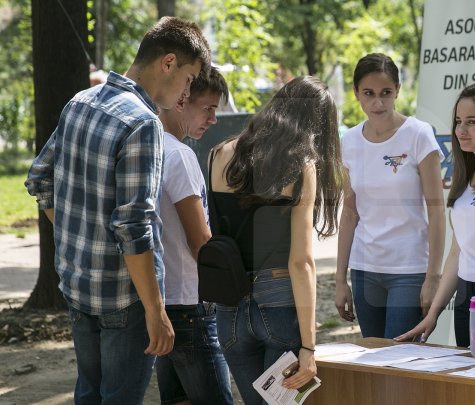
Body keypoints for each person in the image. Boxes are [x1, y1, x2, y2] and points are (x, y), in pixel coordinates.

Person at [24, 16, 210, 404]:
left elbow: (40, 179)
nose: (185, 93)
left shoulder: (81, 101)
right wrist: (156, 311)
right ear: (169, 62)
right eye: (190, 79)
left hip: (77, 287)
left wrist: (80, 241)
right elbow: (134, 225)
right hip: (125, 301)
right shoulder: (144, 124)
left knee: (88, 394)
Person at [210, 76, 343, 405]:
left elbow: (214, 237)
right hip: (279, 302)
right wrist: (309, 348)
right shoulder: (301, 166)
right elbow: (301, 262)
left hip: (229, 307)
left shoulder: (218, 154)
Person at [395, 82, 475, 349]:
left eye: (472, 122)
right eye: (458, 121)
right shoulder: (464, 175)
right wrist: (433, 315)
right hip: (467, 296)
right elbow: (458, 252)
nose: (460, 131)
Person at [335, 53, 446, 339]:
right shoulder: (348, 142)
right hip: (364, 269)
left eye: (386, 93)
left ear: (398, 89)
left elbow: (436, 211)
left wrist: (433, 277)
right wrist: (340, 279)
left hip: (409, 269)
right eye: (368, 93)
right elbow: (349, 213)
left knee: (400, 361)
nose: (378, 102)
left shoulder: (419, 135)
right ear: (356, 93)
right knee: (373, 363)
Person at [156, 67, 233, 405]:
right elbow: (199, 240)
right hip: (190, 303)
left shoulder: (149, 147)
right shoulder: (180, 156)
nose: (214, 119)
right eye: (208, 108)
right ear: (181, 99)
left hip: (160, 300)